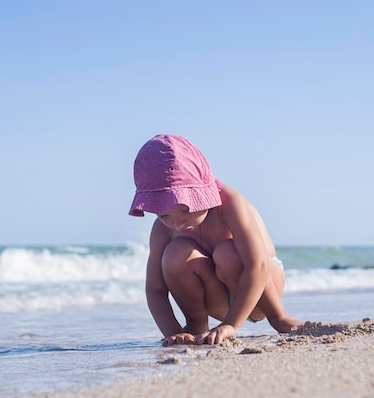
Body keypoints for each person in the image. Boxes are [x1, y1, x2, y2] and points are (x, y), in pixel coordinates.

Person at [129, 134, 304, 346]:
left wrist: (231, 324)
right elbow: (155, 290)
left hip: (260, 289)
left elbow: (257, 266)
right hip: (217, 299)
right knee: (175, 253)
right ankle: (195, 325)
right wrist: (172, 332)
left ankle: (279, 317)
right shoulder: (163, 230)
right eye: (163, 215)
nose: (176, 223)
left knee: (227, 253)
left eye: (185, 209)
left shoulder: (230, 204)